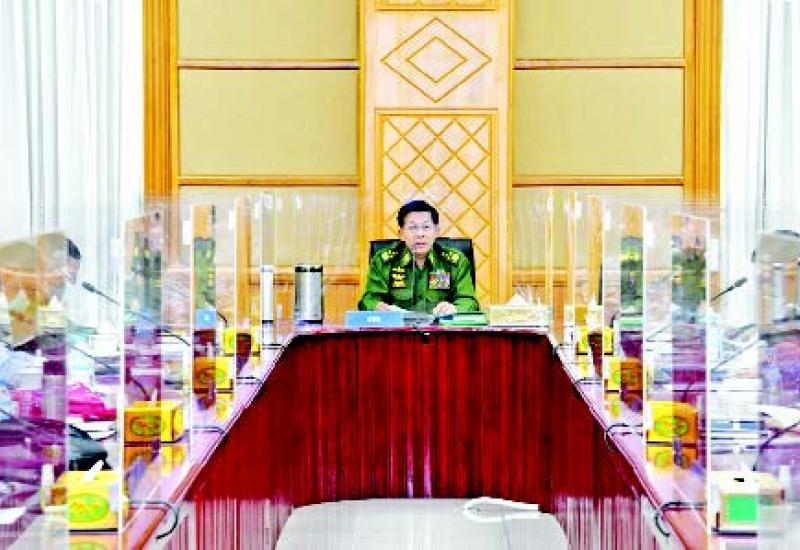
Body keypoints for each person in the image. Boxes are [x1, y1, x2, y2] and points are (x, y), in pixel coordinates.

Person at [358, 200, 479, 315]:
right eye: (413, 227)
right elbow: (369, 300)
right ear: (401, 233)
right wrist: (377, 306)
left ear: (436, 231)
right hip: (398, 329)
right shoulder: (383, 262)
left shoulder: (455, 262)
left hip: (441, 329)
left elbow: (469, 301)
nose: (420, 234)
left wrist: (454, 308)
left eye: (426, 227)